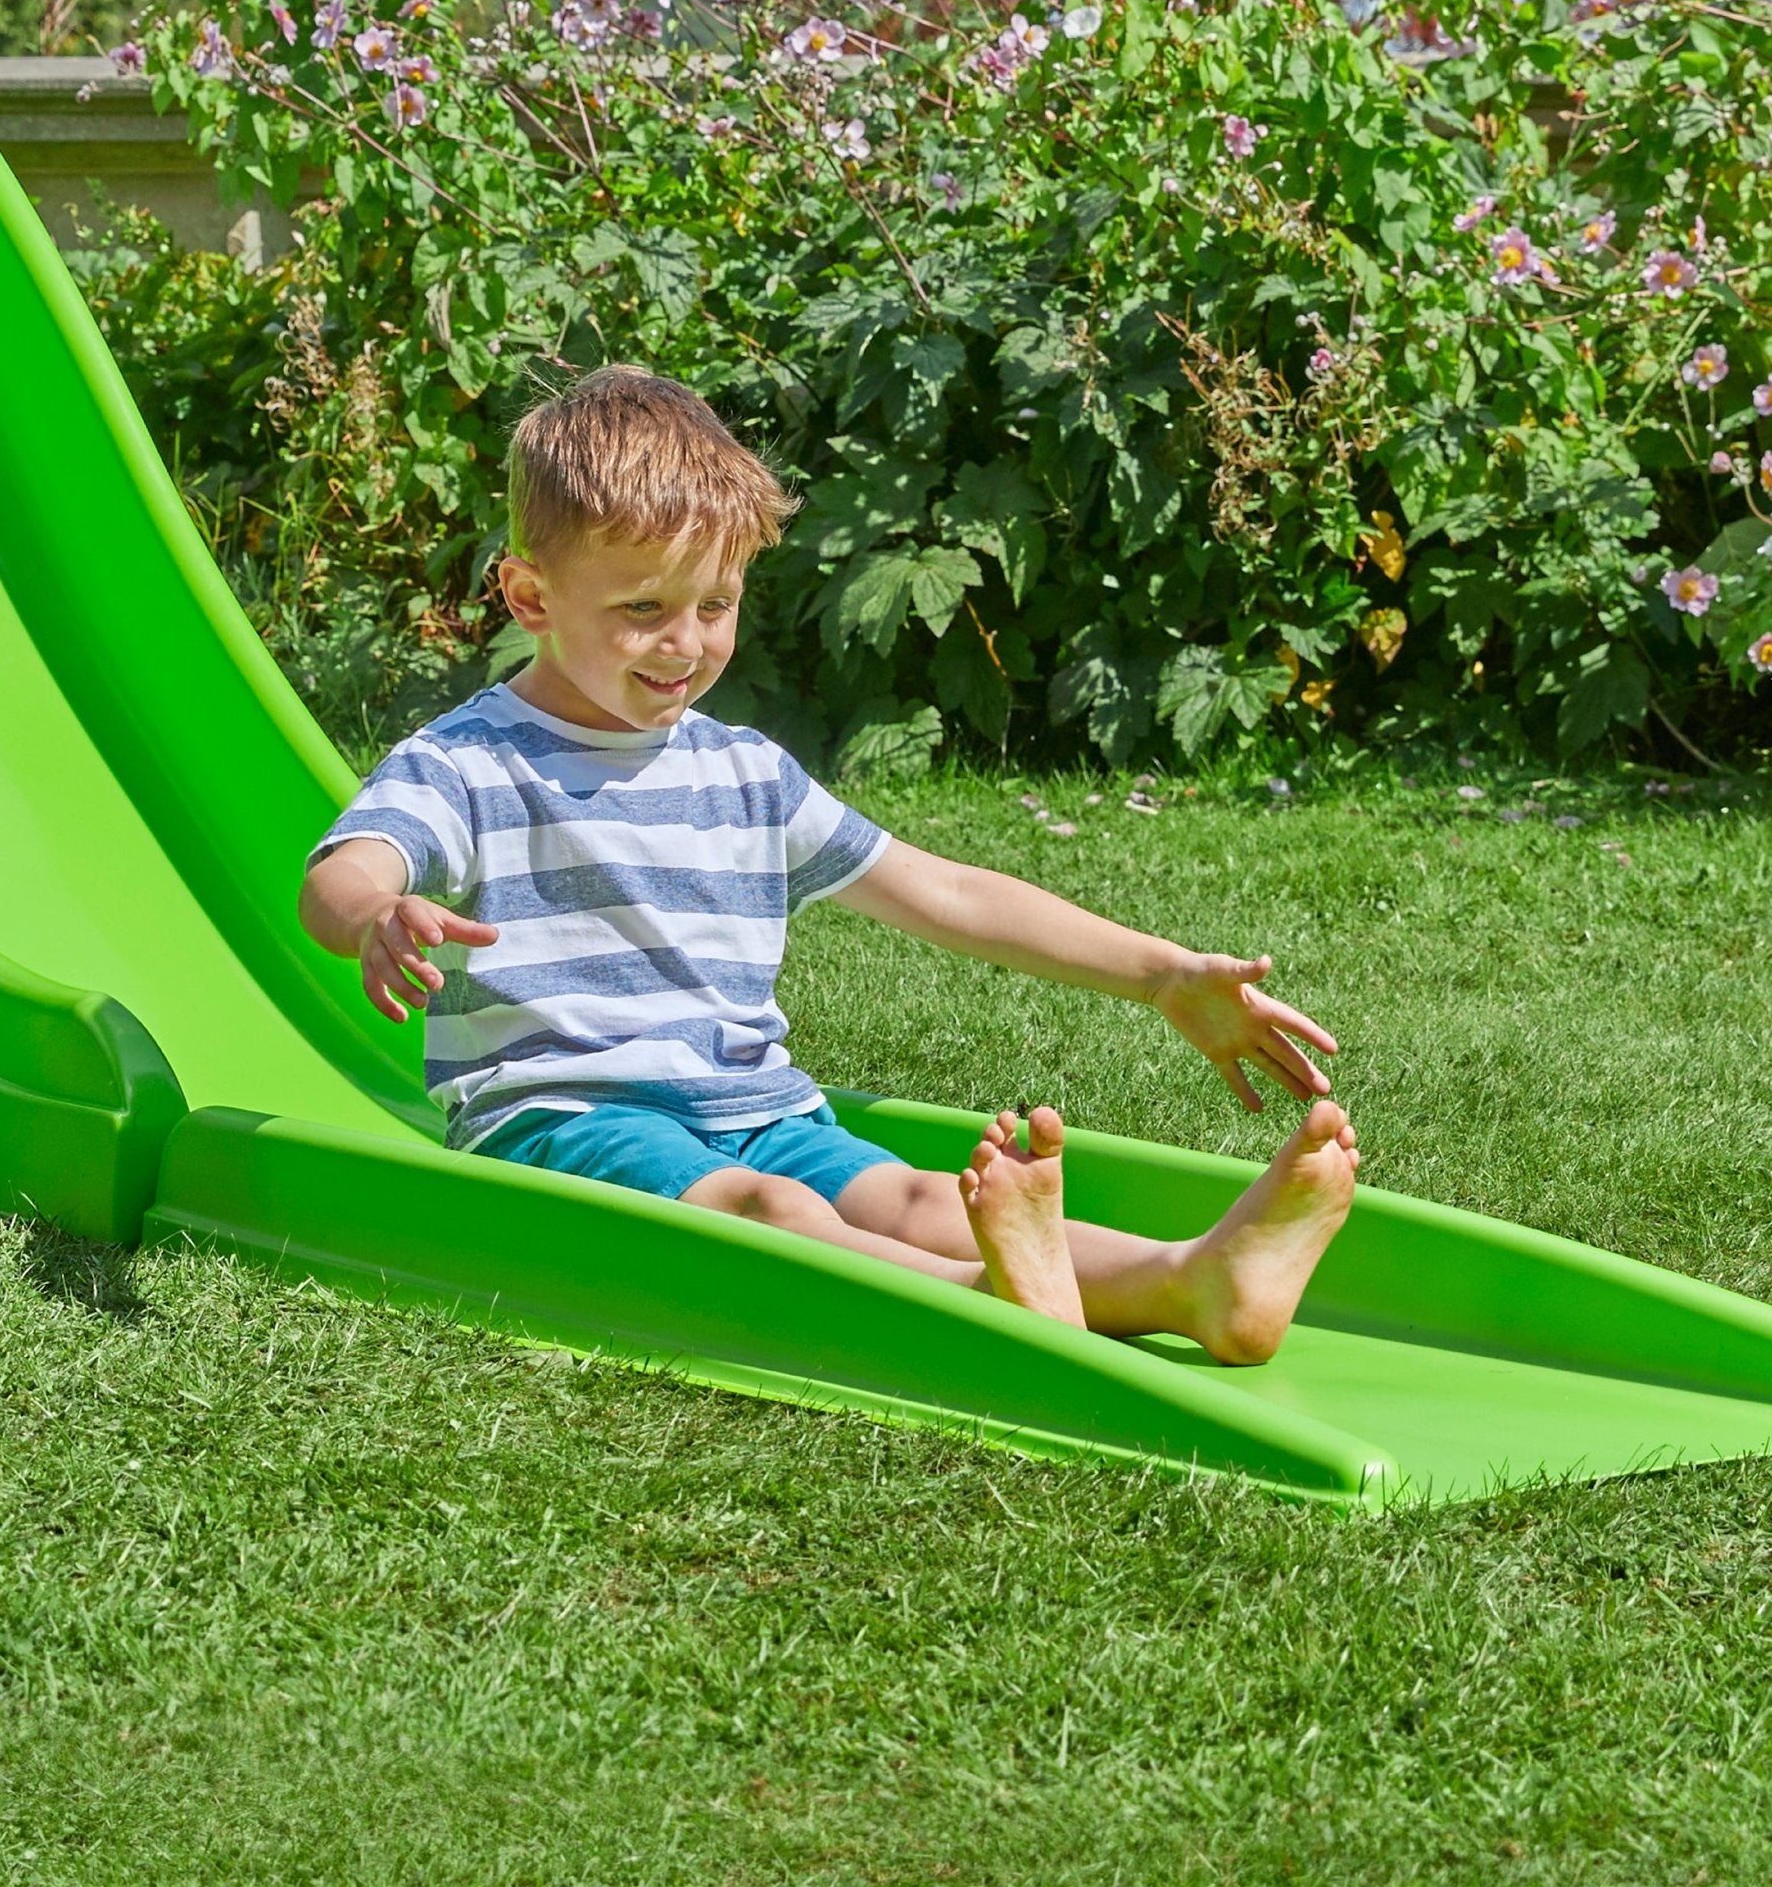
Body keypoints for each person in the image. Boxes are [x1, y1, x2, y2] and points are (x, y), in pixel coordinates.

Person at [298, 366, 1359, 1363]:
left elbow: (946, 892)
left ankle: (1191, 1283)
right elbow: (342, 871)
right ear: (530, 597)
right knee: (771, 1209)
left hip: (759, 1108)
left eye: (715, 606)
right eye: (643, 610)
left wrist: (1160, 974)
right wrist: (379, 911)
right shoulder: (470, 761)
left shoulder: (744, 772)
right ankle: (986, 1296)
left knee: (914, 1196)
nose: (685, 644)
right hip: (567, 1124)